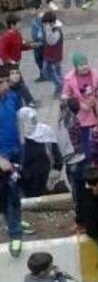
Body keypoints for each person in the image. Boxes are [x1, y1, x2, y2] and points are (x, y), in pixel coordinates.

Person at [61, 52, 98, 163]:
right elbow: (65, 96)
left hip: (95, 110)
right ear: (76, 66)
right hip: (81, 113)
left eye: (85, 63)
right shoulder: (70, 79)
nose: (84, 66)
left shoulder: (94, 73)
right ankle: (88, 159)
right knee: (85, 137)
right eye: (81, 65)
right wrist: (80, 105)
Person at [0, 65, 24, 256]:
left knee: (16, 191)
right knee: (8, 196)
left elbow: (17, 121)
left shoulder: (12, 97)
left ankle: (17, 218)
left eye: (6, 81)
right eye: (1, 82)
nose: (5, 85)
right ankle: (15, 234)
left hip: (16, 150)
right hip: (2, 158)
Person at [16, 106, 62, 197]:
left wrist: (56, 171)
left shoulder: (45, 131)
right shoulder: (17, 138)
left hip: (47, 180)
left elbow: (56, 154)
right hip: (27, 184)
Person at [40, 11, 63, 98]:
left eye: (46, 24)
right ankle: (60, 85)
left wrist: (48, 31)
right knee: (46, 72)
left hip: (55, 57)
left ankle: (61, 86)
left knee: (56, 73)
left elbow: (51, 42)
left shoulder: (56, 31)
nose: (45, 26)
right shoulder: (48, 28)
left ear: (52, 22)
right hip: (48, 55)